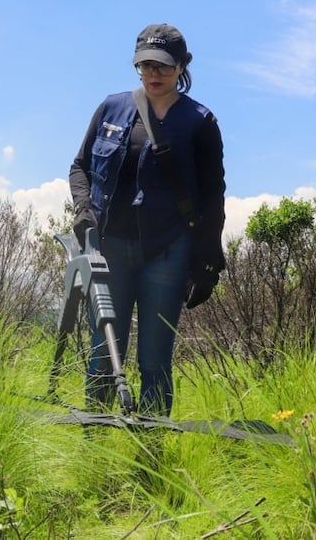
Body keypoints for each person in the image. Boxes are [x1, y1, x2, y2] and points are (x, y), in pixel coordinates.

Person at [68, 22, 226, 417]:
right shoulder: (112, 107)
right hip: (111, 252)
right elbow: (80, 167)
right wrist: (83, 208)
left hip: (168, 253)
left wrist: (207, 262)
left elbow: (213, 196)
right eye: (146, 65)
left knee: (154, 361)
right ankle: (96, 450)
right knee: (104, 355)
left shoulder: (200, 122)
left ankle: (151, 454)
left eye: (164, 66)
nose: (154, 74)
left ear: (182, 66)